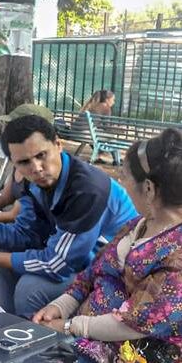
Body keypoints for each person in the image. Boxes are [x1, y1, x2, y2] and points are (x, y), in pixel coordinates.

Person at [33, 128, 182, 363]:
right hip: (85, 338)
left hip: (129, 354)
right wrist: (62, 305)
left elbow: (135, 323)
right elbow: (92, 272)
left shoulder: (176, 256)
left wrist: (71, 326)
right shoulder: (137, 226)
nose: (120, 183)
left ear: (149, 189)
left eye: (125, 177)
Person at [0, 115, 138, 318]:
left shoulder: (87, 190)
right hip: (73, 257)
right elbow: (27, 233)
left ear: (58, 144)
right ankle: (7, 323)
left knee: (29, 290)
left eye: (41, 155)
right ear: (14, 164)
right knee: (1, 252)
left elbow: (58, 265)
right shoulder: (34, 181)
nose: (36, 168)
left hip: (113, 271)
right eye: (24, 162)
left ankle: (36, 341)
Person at [0, 104, 56, 225]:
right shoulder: (20, 161)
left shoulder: (38, 172)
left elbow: (14, 215)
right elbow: (3, 199)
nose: (6, 129)